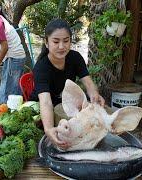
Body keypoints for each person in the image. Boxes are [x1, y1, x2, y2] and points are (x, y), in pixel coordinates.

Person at [30, 18, 105, 150]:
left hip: (65, 106)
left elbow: (87, 81)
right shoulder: (41, 68)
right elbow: (46, 102)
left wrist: (94, 94)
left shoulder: (75, 57)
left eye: (66, 41)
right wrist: (48, 129)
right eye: (56, 41)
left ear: (70, 41)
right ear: (46, 43)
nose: (61, 46)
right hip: (43, 109)